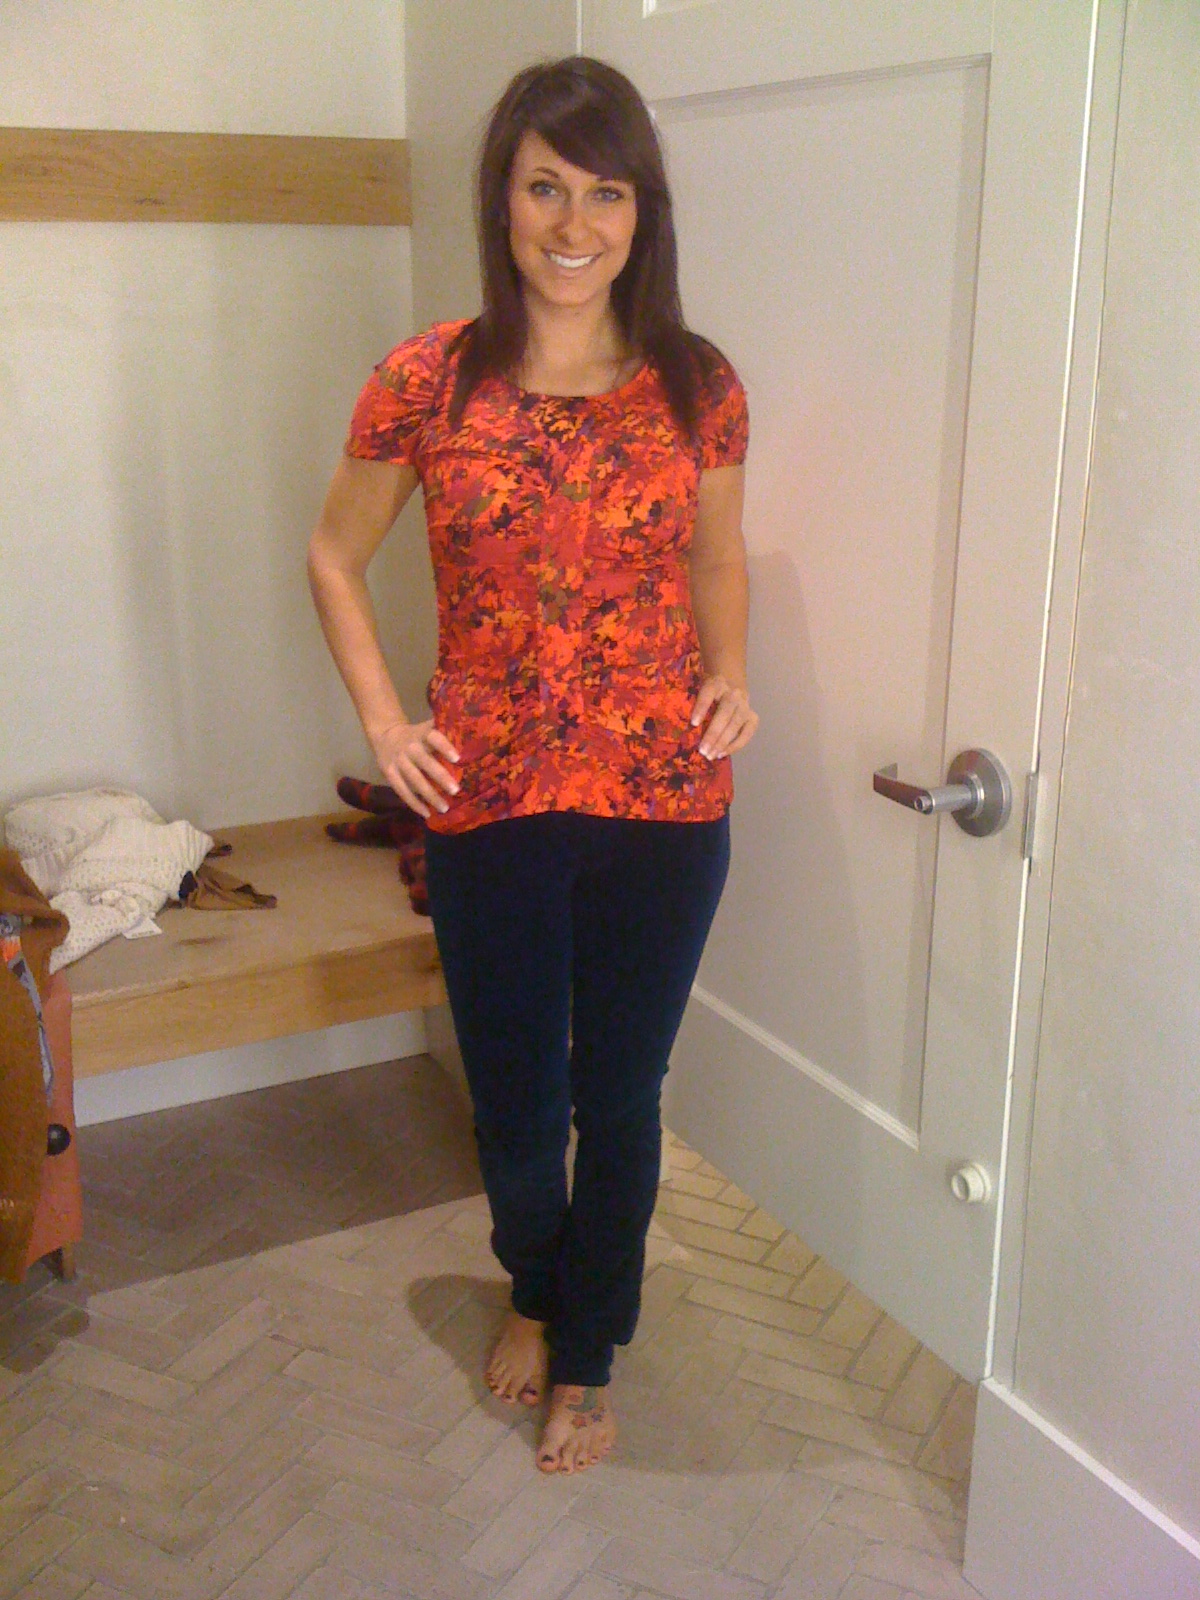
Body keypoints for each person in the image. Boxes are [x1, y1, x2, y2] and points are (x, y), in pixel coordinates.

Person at [308, 55, 759, 1476]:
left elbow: (716, 552)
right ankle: (533, 1282)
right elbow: (334, 552)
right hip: (487, 798)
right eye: (546, 187)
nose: (575, 224)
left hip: (662, 800)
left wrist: (731, 671)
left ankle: (590, 1349)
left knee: (621, 1095)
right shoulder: (427, 379)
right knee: (515, 1102)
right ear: (502, 199)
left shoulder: (697, 383)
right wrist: (387, 726)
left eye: (606, 192)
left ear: (643, 212)